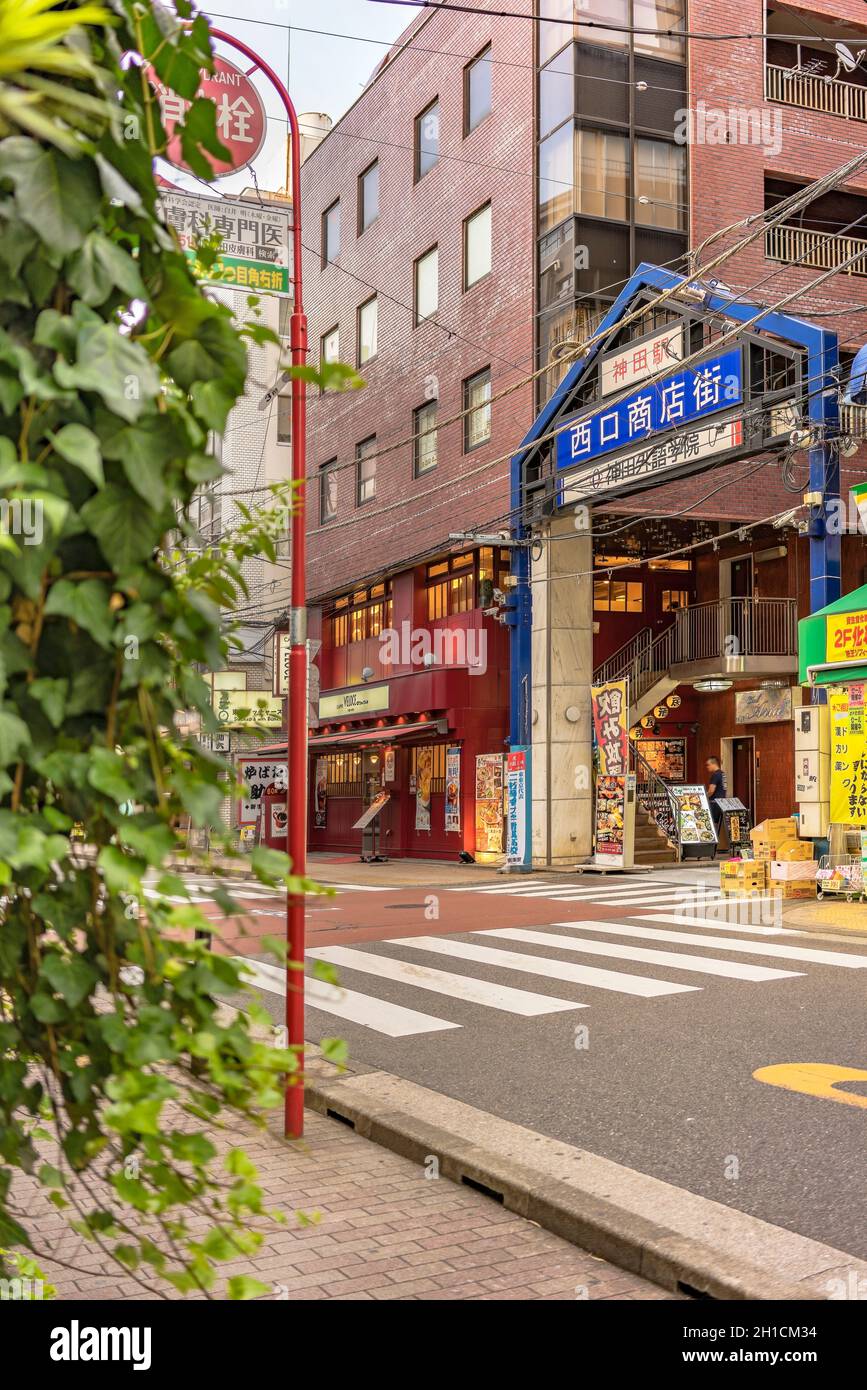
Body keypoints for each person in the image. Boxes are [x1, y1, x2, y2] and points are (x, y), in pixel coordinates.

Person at [705, 755, 727, 847]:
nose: (707, 767)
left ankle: (712, 843)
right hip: (722, 802)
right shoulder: (723, 774)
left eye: (708, 765)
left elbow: (711, 790)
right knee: (718, 824)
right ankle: (719, 843)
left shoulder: (715, 775)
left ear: (714, 764)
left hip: (714, 802)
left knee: (712, 823)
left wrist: (704, 797)